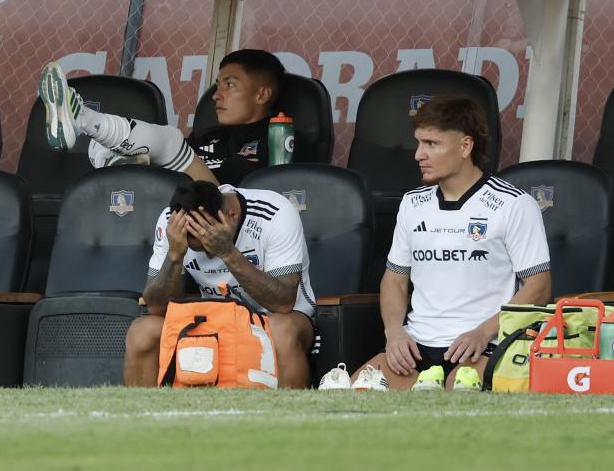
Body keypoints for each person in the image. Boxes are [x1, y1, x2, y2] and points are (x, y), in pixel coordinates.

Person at [320, 96, 552, 391]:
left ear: (465, 146)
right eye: (419, 143)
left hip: (482, 346)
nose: (419, 154)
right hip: (416, 347)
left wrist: (483, 333)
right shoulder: (412, 203)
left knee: (457, 399)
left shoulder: (513, 204)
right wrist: (394, 332)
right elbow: (394, 279)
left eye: (431, 144)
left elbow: (539, 287)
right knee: (349, 398)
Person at [124, 173, 316, 389]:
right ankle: (144, 410)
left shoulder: (274, 212)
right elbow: (156, 307)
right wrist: (174, 256)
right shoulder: (174, 221)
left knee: (282, 330)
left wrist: (228, 253)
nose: (208, 253)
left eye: (211, 240)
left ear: (232, 215)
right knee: (143, 330)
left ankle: (289, 409)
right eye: (199, 245)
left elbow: (283, 303)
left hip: (272, 320)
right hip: (214, 321)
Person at [39, 48, 285, 185]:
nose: (216, 95)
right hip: (174, 216)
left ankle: (83, 118)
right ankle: (116, 158)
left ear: (262, 94)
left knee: (170, 141)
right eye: (218, 85)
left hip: (228, 217)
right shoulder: (207, 136)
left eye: (229, 85)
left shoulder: (279, 139)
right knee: (101, 145)